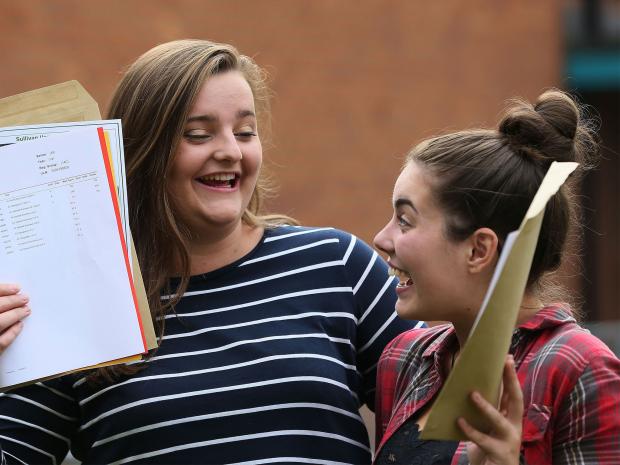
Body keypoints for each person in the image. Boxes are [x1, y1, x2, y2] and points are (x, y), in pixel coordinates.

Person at [0, 39, 421, 464]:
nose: (230, 151)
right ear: (141, 152)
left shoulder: (337, 264)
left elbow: (437, 420)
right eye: (198, 135)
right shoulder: (73, 308)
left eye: (245, 132)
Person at [372, 90, 620, 465]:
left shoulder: (577, 367)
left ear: (478, 250)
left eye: (405, 220)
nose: (381, 239)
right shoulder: (404, 360)